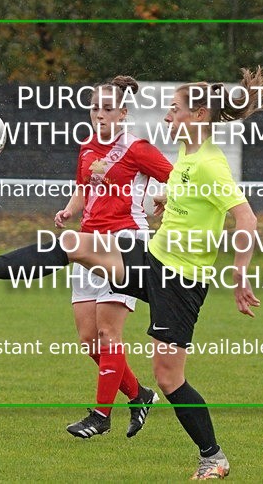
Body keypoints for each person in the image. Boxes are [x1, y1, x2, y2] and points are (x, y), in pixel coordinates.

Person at [0, 67, 263, 479]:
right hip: (152, 258)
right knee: (73, 245)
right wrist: (167, 198)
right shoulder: (187, 157)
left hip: (181, 281)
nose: (167, 117)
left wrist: (241, 275)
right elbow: (186, 190)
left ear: (200, 115)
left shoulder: (209, 162)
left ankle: (213, 456)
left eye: (175, 110)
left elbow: (246, 220)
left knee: (169, 378)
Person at [52, 76, 173, 438]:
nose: (100, 115)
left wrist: (164, 199)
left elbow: (175, 176)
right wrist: (69, 211)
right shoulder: (87, 147)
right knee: (90, 340)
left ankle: (101, 416)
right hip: (89, 242)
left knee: (108, 332)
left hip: (125, 242)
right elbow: (82, 190)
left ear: (123, 113)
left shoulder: (136, 147)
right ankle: (139, 395)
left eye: (108, 109)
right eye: (95, 108)